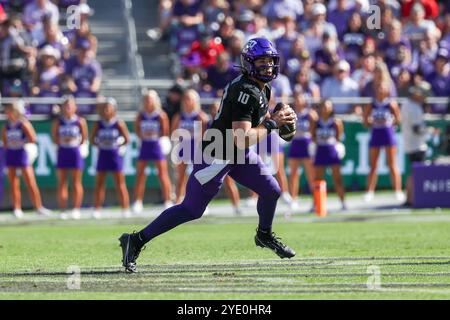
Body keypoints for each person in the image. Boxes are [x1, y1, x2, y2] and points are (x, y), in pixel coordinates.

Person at [118, 37, 297, 272]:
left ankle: (264, 235)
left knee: (271, 190)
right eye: (261, 61)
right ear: (249, 63)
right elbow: (241, 136)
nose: (267, 66)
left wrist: (274, 118)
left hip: (236, 151)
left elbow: (251, 126)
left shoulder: (261, 88)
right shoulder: (246, 90)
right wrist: (273, 124)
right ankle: (136, 240)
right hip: (218, 153)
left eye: (270, 61)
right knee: (191, 209)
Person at [2, 100, 52, 218]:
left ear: (15, 111)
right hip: (11, 154)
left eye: (9, 110)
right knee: (13, 183)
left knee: (30, 181)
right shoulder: (6, 126)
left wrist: (20, 142)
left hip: (22, 153)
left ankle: (38, 207)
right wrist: (10, 144)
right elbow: (4, 142)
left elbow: (33, 138)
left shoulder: (23, 124)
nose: (7, 113)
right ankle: (17, 208)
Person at [132, 90, 173, 214]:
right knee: (140, 175)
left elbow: (165, 132)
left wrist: (159, 140)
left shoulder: (160, 115)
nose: (148, 101)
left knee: (162, 174)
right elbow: (138, 131)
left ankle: (168, 200)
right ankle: (138, 201)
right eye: (146, 99)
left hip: (156, 145)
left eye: (150, 99)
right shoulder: (140, 116)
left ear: (155, 101)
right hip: (145, 145)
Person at [363, 81, 405, 202]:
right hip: (376, 134)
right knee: (373, 165)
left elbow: (398, 120)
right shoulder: (371, 105)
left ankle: (397, 190)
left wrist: (389, 123)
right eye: (379, 88)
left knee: (392, 164)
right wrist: (372, 122)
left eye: (383, 89)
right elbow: (365, 122)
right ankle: (370, 191)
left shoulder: (391, 104)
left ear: (387, 91)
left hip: (388, 134)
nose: (380, 91)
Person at [91, 99, 131, 219]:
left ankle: (125, 208)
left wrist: (119, 143)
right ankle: (97, 209)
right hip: (103, 154)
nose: (106, 110)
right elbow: (92, 139)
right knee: (99, 183)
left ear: (114, 109)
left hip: (115, 155)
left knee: (120, 183)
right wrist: (101, 143)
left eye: (109, 108)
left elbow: (127, 139)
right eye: (104, 108)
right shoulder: (98, 124)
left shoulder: (118, 123)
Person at [51, 95, 87, 219]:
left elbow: (84, 137)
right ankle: (62, 209)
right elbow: (54, 137)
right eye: (65, 106)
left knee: (76, 182)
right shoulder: (58, 122)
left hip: (75, 152)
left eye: (70, 106)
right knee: (62, 182)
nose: (68, 108)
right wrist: (64, 142)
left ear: (75, 107)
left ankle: (76, 209)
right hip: (62, 151)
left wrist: (73, 143)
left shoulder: (80, 121)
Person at [170, 88, 209, 204]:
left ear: (195, 101)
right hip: (183, 148)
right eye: (185, 98)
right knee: (180, 177)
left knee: (200, 177)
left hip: (197, 149)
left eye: (190, 98)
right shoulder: (179, 116)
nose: (187, 101)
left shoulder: (200, 116)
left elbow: (205, 136)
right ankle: (178, 200)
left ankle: (201, 201)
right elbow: (174, 133)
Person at [310, 99, 346, 210]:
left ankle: (343, 203)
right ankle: (315, 204)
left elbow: (339, 137)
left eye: (328, 106)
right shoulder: (316, 122)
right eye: (324, 106)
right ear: (320, 108)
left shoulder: (336, 122)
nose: (326, 109)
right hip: (321, 150)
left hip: (332, 151)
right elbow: (313, 136)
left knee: (337, 178)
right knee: (318, 179)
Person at [400, 81, 432, 207]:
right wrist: (430, 131)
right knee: (416, 173)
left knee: (413, 172)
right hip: (416, 144)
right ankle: (411, 198)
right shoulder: (412, 106)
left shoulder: (409, 104)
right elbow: (417, 129)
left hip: (411, 143)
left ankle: (410, 197)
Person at [288, 93, 317, 211]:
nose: (298, 101)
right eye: (296, 99)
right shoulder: (290, 113)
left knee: (311, 174)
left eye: (300, 99)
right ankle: (293, 199)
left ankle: (315, 201)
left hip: (306, 143)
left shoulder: (310, 114)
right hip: (295, 143)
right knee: (294, 173)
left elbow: (314, 130)